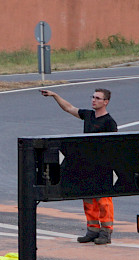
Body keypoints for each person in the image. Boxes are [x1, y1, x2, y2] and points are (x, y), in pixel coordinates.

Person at [40, 87, 118, 244]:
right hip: (86, 166)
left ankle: (106, 232)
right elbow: (69, 108)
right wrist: (55, 95)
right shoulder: (88, 115)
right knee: (88, 200)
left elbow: (113, 146)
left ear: (106, 102)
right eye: (93, 97)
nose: (93, 100)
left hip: (102, 167)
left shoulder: (109, 122)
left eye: (97, 98)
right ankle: (92, 229)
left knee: (103, 200)